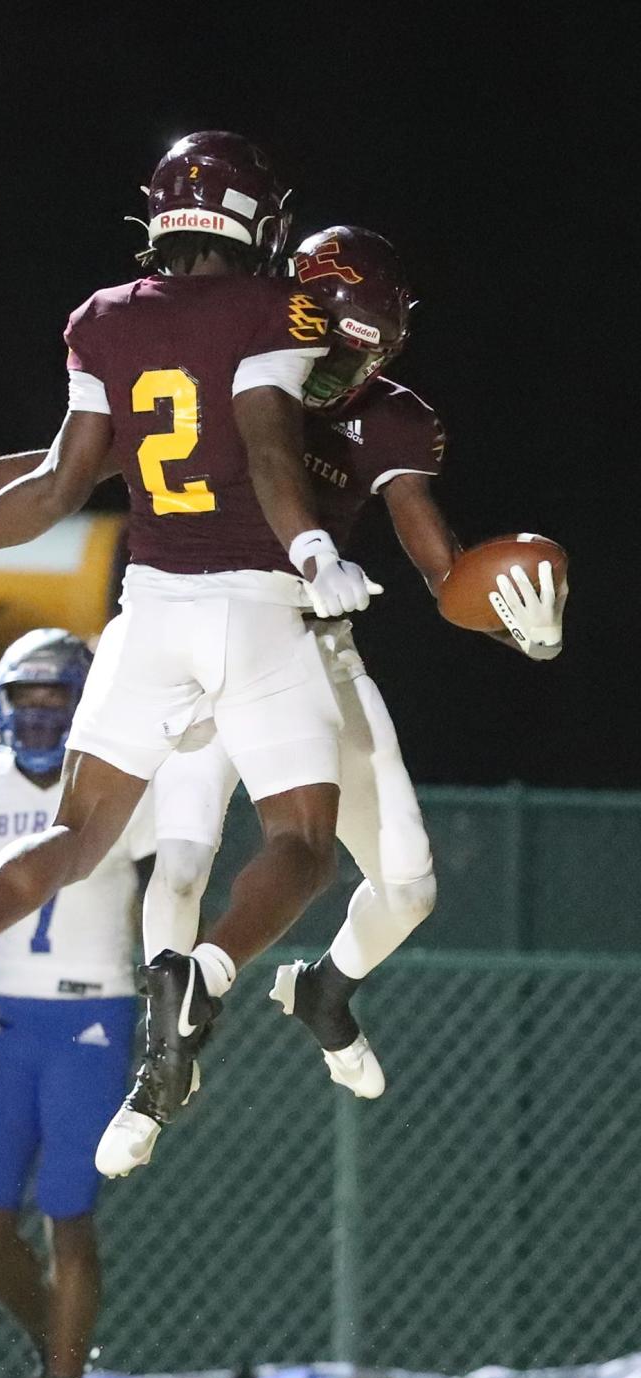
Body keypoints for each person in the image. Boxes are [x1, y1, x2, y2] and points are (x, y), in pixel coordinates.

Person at [0, 130, 383, 1181]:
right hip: (255, 605)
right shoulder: (274, 310)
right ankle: (208, 971)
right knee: (304, 842)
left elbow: (59, 483)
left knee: (74, 836)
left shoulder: (103, 317)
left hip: (148, 611)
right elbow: (272, 446)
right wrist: (315, 545)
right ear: (257, 222)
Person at [139, 225, 567, 1131]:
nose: (331, 375)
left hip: (307, 649)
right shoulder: (224, 367)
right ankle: (160, 1057)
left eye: (354, 358)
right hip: (202, 631)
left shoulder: (392, 418)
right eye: (324, 349)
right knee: (178, 864)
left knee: (408, 886)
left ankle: (325, 993)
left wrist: (518, 634)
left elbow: (441, 568)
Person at [0, 628, 153, 1378]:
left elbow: (163, 898)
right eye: (24, 702)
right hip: (5, 1017)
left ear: (83, 705)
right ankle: (58, 1350)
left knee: (69, 1211)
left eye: (53, 701)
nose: (35, 719)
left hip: (92, 1012)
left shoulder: (128, 780)